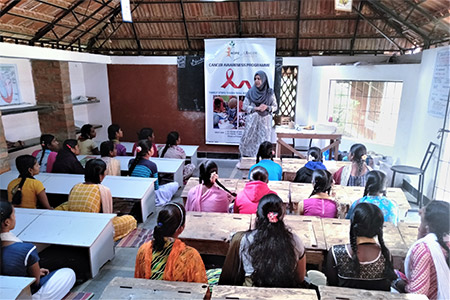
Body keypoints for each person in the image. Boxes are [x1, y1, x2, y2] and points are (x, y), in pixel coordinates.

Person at [220, 194, 306, 287]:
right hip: (283, 293)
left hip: (250, 294)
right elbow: (300, 278)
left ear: (257, 214)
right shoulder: (295, 242)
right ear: (282, 215)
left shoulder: (244, 239)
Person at [1, 200, 76, 299]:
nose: (15, 217)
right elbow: (35, 282)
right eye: (13, 214)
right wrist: (36, 273)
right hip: (23, 295)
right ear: (7, 222)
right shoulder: (26, 249)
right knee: (68, 273)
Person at [325, 203, 396, 291]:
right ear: (380, 227)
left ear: (353, 224)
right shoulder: (386, 255)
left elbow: (332, 286)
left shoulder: (336, 252)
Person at [60, 159, 136, 241]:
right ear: (100, 175)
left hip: (72, 226)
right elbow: (107, 216)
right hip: (92, 229)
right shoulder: (103, 189)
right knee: (130, 219)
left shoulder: (75, 186)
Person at [135, 202, 207, 283]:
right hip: (177, 295)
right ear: (181, 228)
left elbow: (138, 281)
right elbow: (201, 288)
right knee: (216, 273)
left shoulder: (143, 250)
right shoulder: (190, 256)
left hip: (147, 294)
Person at [393, 201, 449, 300]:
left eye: (421, 221)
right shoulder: (444, 243)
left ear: (427, 226)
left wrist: (398, 283)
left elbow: (417, 294)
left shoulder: (424, 249)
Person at [239, 71, 277, 157]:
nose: (257, 81)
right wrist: (255, 108)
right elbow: (244, 106)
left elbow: (275, 107)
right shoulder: (250, 92)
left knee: (263, 142)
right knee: (250, 142)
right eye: (255, 79)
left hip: (265, 122)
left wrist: (267, 107)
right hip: (252, 123)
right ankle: (250, 161)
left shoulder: (270, 93)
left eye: (259, 79)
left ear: (264, 80)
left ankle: (263, 160)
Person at [129, 140, 179, 206]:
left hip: (134, 191)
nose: (153, 149)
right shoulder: (152, 165)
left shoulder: (131, 162)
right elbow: (156, 187)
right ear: (148, 152)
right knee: (175, 184)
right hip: (147, 194)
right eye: (152, 148)